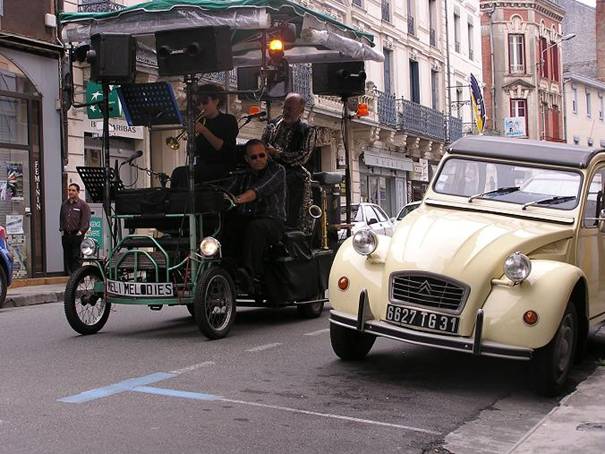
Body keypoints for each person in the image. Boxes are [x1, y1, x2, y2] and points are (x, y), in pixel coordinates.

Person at [223, 139, 286, 293]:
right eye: (254, 157)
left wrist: (236, 200)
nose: (258, 159)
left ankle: (250, 274)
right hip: (247, 219)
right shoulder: (242, 174)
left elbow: (259, 190)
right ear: (247, 159)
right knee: (227, 224)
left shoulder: (277, 170)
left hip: (272, 222)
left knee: (255, 227)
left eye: (261, 155)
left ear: (266, 155)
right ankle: (226, 267)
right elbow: (226, 190)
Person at [261, 92, 316, 233]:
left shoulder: (307, 130)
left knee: (289, 180)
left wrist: (278, 154)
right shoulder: (272, 126)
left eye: (290, 109)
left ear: (301, 111)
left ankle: (289, 226)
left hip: (294, 172)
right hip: (271, 168)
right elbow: (263, 146)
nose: (285, 111)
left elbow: (303, 156)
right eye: (285, 108)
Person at [171, 83, 238, 188]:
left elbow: (222, 148)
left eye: (205, 102)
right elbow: (192, 151)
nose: (201, 106)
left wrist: (204, 131)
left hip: (222, 166)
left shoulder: (228, 120)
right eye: (198, 103)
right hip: (203, 164)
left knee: (182, 174)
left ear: (216, 101)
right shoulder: (200, 120)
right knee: (177, 173)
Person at [60, 183, 91, 274]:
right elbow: (62, 218)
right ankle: (69, 276)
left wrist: (81, 232)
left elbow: (85, 220)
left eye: (73, 190)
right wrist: (62, 229)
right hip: (66, 234)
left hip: (77, 234)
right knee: (67, 256)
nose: (71, 192)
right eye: (69, 190)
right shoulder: (64, 204)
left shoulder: (83, 205)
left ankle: (77, 277)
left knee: (76, 256)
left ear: (78, 192)